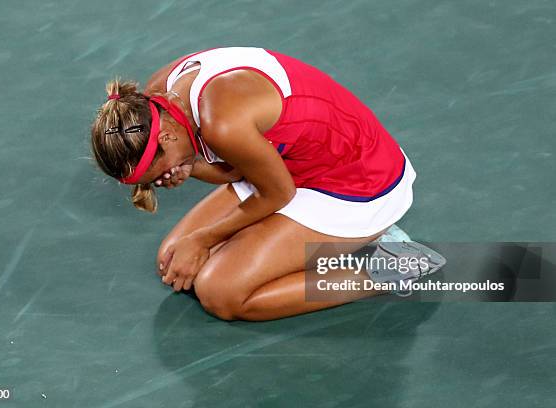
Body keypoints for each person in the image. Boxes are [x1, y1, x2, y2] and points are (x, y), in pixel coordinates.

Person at [90, 47, 417, 321]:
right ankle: (313, 243)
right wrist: (189, 167)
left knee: (220, 294)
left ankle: (391, 267)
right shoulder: (161, 97)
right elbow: (236, 170)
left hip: (358, 182)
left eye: (159, 174)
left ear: (166, 136)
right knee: (173, 258)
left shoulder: (223, 123)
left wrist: (203, 240)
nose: (164, 181)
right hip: (290, 167)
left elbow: (277, 193)